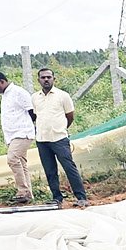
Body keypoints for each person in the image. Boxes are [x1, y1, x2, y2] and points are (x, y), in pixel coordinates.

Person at [32, 68, 88, 208]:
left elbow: (70, 116)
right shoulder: (35, 97)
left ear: (54, 79)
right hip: (42, 139)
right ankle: (57, 198)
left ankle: (81, 197)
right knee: (50, 170)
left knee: (69, 167)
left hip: (59, 138)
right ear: (38, 80)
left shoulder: (63, 96)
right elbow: (35, 116)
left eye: (49, 77)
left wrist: (61, 129)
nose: (46, 80)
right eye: (43, 77)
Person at [0, 71, 37, 204]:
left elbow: (32, 111)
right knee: (21, 163)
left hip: (22, 133)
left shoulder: (18, 92)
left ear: (2, 81)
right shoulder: (6, 95)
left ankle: (22, 191)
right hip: (13, 135)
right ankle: (28, 194)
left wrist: (29, 126)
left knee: (12, 159)